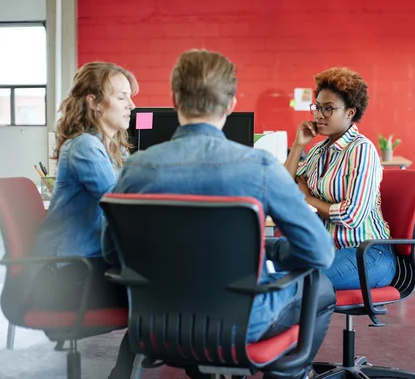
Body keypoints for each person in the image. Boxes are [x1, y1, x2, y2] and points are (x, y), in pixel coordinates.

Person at [105, 49, 336, 379]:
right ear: (230, 105)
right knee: (323, 287)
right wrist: (268, 250)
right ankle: (287, 374)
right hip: (242, 323)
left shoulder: (135, 169)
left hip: (156, 320)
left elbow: (112, 251)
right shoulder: (261, 167)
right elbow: (319, 252)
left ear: (175, 100)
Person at [29, 62, 138, 379]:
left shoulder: (109, 147)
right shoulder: (85, 146)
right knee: (160, 296)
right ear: (93, 102)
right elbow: (122, 205)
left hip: (85, 267)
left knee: (163, 294)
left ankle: (123, 372)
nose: (131, 105)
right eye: (121, 97)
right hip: (66, 277)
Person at [284, 67, 396, 290]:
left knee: (298, 283)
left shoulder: (361, 150)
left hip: (368, 255)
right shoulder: (319, 150)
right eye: (317, 107)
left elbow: (351, 215)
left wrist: (306, 198)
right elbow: (285, 188)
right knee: (265, 266)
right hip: (329, 250)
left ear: (350, 113)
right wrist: (298, 145)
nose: (318, 115)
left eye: (328, 109)